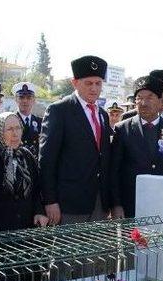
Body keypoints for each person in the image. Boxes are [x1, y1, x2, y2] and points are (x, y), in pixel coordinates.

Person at [39, 55, 112, 225]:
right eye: (89, 83)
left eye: (98, 83)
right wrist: (50, 201)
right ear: (75, 83)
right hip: (69, 205)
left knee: (99, 252)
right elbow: (47, 160)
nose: (94, 88)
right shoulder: (59, 111)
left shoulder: (103, 115)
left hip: (99, 204)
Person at [110, 76, 163, 218]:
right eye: (139, 98)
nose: (143, 103)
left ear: (160, 101)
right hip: (131, 204)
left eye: (150, 97)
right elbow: (114, 170)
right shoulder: (123, 129)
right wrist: (116, 205)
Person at [0, 112, 48, 232]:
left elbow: (36, 190)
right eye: (9, 129)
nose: (15, 134)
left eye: (18, 128)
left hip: (27, 229)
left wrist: (39, 212)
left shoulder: (26, 155)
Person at [12, 82, 42, 156]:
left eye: (29, 97)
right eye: (21, 97)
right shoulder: (10, 121)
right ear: (16, 99)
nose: (25, 101)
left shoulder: (40, 122)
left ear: (34, 100)